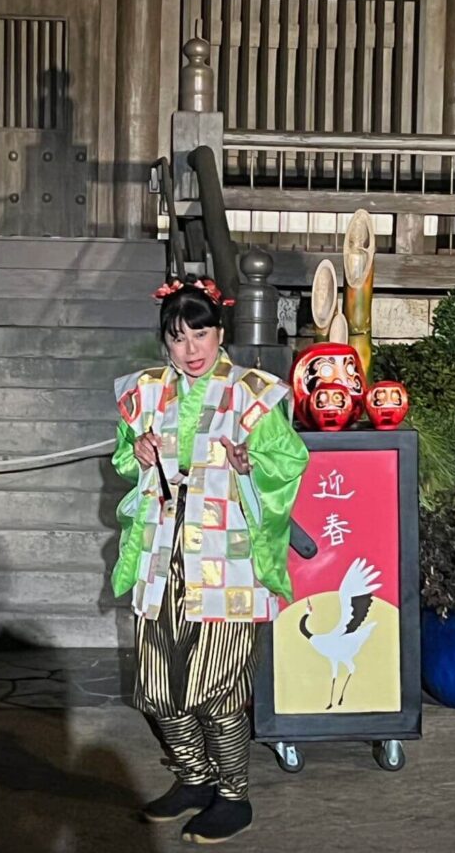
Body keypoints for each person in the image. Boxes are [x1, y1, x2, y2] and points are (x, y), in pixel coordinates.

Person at [111, 277, 309, 845]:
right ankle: (193, 778)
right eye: (178, 337)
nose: (191, 348)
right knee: (155, 689)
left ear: (220, 332)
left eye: (201, 333)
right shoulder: (144, 393)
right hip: (161, 561)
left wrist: (252, 463)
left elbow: (289, 461)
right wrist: (139, 452)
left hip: (228, 566)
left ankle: (233, 794)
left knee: (214, 688)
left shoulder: (254, 392)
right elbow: (125, 461)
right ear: (165, 341)